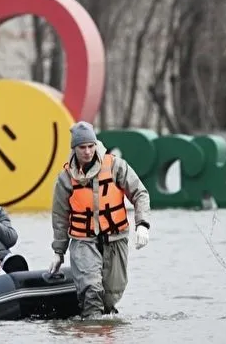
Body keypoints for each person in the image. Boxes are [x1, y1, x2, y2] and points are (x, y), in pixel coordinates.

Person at [48, 121, 151, 319]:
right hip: (83, 240)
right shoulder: (65, 177)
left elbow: (140, 193)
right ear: (74, 148)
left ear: (95, 145)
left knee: (111, 295)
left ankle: (102, 329)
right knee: (91, 289)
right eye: (82, 147)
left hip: (115, 238)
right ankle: (89, 330)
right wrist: (58, 251)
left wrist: (142, 224)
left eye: (90, 146)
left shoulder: (115, 166)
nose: (87, 151)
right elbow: (60, 216)